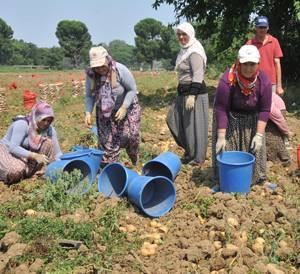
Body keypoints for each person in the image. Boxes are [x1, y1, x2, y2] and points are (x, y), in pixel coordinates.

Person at [211, 45, 274, 193]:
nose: (248, 68)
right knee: (225, 150)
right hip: (229, 116)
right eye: (245, 64)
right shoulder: (227, 79)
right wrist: (221, 136)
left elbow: (264, 109)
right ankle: (220, 181)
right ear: (238, 63)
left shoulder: (263, 80)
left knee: (255, 148)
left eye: (252, 64)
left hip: (252, 117)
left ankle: (259, 179)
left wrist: (259, 135)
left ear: (258, 64)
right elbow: (221, 109)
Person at [85, 46, 141, 166]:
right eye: (96, 66)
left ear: (107, 59)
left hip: (127, 106)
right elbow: (89, 96)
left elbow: (132, 89)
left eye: (102, 65)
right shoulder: (91, 75)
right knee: (107, 142)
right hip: (104, 111)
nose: (100, 69)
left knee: (131, 136)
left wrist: (124, 107)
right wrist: (88, 112)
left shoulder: (119, 69)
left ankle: (133, 156)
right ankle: (109, 168)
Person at [166, 22, 209, 166]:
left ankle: (198, 158)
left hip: (194, 94)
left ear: (190, 34)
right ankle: (190, 150)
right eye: (179, 34)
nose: (181, 37)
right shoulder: (185, 50)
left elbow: (198, 74)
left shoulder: (195, 51)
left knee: (195, 127)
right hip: (183, 93)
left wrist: (192, 96)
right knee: (175, 121)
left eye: (184, 34)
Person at [0, 102, 62, 184]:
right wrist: (35, 156)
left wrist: (61, 164)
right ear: (36, 116)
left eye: (49, 121)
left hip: (26, 154)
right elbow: (13, 147)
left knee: (49, 142)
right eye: (43, 119)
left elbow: (57, 151)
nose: (46, 123)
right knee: (16, 170)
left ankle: (38, 172)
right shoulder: (22, 124)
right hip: (8, 151)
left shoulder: (49, 129)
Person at [246, 16, 284, 97]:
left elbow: (277, 64)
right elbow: (245, 64)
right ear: (255, 27)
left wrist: (279, 86)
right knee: (254, 107)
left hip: (271, 83)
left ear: (268, 28)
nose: (262, 30)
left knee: (270, 108)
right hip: (254, 82)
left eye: (264, 27)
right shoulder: (250, 44)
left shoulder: (274, 42)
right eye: (260, 27)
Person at [265, 92, 292, 167]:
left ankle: (283, 159)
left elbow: (279, 117)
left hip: (278, 110)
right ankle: (267, 157)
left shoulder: (268, 105)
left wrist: (286, 132)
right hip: (266, 113)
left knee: (272, 137)